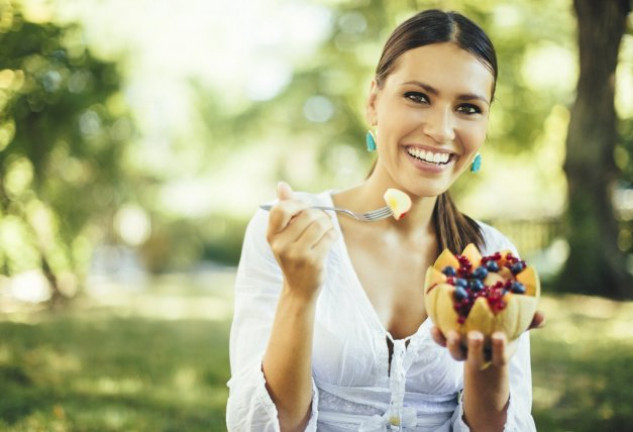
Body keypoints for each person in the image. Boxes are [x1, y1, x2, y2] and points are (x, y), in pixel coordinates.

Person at [226, 8, 544, 432]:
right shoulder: (288, 234)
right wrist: (299, 293)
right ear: (374, 102)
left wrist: (488, 362)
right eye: (418, 97)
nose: (442, 130)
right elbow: (263, 425)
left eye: (468, 107)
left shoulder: (493, 257)